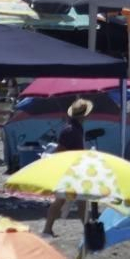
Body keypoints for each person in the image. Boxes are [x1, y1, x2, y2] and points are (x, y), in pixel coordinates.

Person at [41, 98, 90, 237]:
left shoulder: (74, 128)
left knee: (75, 201)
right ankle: (48, 229)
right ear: (83, 115)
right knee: (71, 200)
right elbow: (60, 151)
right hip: (70, 170)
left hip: (73, 169)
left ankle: (48, 229)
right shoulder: (71, 130)